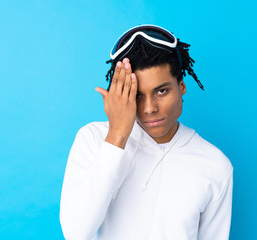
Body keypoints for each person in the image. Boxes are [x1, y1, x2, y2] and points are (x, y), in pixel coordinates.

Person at [60, 24, 233, 240]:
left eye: (161, 91)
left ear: (181, 87)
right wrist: (117, 136)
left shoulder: (215, 165)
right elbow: (75, 233)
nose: (150, 108)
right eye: (138, 95)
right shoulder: (94, 139)